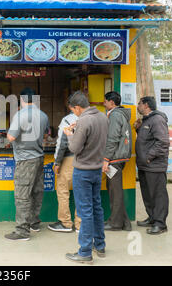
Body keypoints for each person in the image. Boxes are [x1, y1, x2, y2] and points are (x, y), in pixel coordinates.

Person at [64, 91, 108, 264]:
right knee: (97, 207)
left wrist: (70, 134)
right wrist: (78, 129)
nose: (74, 113)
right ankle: (100, 245)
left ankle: (84, 252)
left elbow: (75, 148)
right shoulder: (103, 117)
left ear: (77, 107)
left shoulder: (84, 120)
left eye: (73, 110)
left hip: (83, 171)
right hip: (97, 169)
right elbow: (93, 139)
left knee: (85, 211)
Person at [4, 88, 50, 241]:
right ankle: (34, 223)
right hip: (39, 157)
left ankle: (22, 231)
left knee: (22, 195)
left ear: (22, 99)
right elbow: (46, 134)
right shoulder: (43, 115)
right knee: (36, 192)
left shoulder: (20, 115)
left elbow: (11, 137)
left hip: (25, 160)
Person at [134, 96, 169, 235]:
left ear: (146, 105)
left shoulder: (157, 120)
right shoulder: (147, 120)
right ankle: (152, 218)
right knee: (147, 194)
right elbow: (148, 140)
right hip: (145, 165)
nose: (137, 106)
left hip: (154, 165)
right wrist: (138, 129)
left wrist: (148, 157)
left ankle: (160, 224)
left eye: (139, 104)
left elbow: (163, 142)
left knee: (158, 195)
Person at [102, 91, 132, 231]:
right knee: (114, 190)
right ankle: (125, 222)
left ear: (112, 103)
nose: (104, 103)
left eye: (105, 101)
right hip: (119, 157)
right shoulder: (121, 114)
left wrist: (106, 159)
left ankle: (115, 223)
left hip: (114, 158)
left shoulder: (114, 115)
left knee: (115, 191)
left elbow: (112, 138)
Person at [48, 111, 81, 233]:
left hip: (68, 159)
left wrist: (57, 162)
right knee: (82, 191)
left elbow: (62, 142)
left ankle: (66, 223)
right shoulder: (93, 118)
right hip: (85, 160)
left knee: (63, 191)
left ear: (73, 106)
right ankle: (80, 224)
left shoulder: (68, 120)